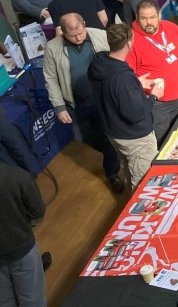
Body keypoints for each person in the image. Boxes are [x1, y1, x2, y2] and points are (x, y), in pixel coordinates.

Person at [43, 13, 123, 192]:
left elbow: (119, 58)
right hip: (76, 102)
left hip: (103, 97)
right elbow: (51, 79)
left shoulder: (100, 36)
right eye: (73, 35)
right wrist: (59, 106)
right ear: (62, 32)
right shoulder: (52, 48)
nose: (78, 37)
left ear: (84, 25)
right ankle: (111, 153)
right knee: (85, 138)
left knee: (108, 138)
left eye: (81, 32)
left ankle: (112, 172)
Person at [89, 23, 159, 189]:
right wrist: (154, 95)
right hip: (135, 138)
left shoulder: (99, 62)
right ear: (129, 43)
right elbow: (135, 114)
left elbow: (110, 92)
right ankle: (142, 212)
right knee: (143, 181)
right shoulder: (122, 77)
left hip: (114, 131)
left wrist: (136, 84)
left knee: (129, 169)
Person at [0, 165, 48, 307]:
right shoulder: (17, 176)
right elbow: (38, 210)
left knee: (4, 306)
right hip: (22, 249)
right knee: (33, 302)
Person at [127, 0, 178, 143]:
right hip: (159, 104)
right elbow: (129, 76)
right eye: (144, 18)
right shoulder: (131, 41)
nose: (149, 22)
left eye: (152, 17)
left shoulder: (171, 27)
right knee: (164, 140)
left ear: (159, 15)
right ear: (137, 18)